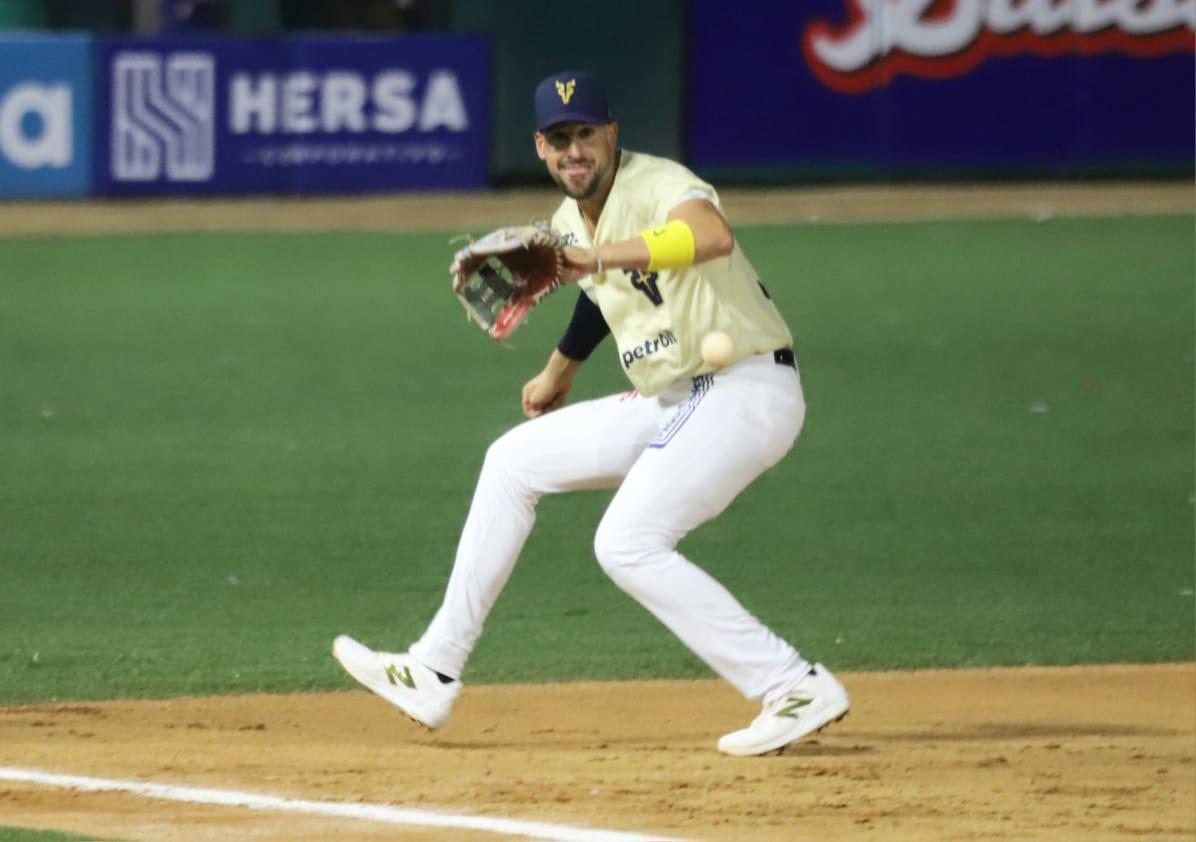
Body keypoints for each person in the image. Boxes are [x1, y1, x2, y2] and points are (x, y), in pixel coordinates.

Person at [333, 70, 849, 756]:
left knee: (627, 543)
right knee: (513, 460)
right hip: (676, 397)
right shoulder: (566, 225)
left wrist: (594, 256)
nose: (573, 150)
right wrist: (557, 371)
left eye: (585, 134)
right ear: (540, 150)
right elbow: (594, 293)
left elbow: (710, 236)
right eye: (558, 139)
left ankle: (792, 684)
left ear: (611, 134)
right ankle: (433, 668)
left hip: (745, 390)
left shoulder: (661, 183)